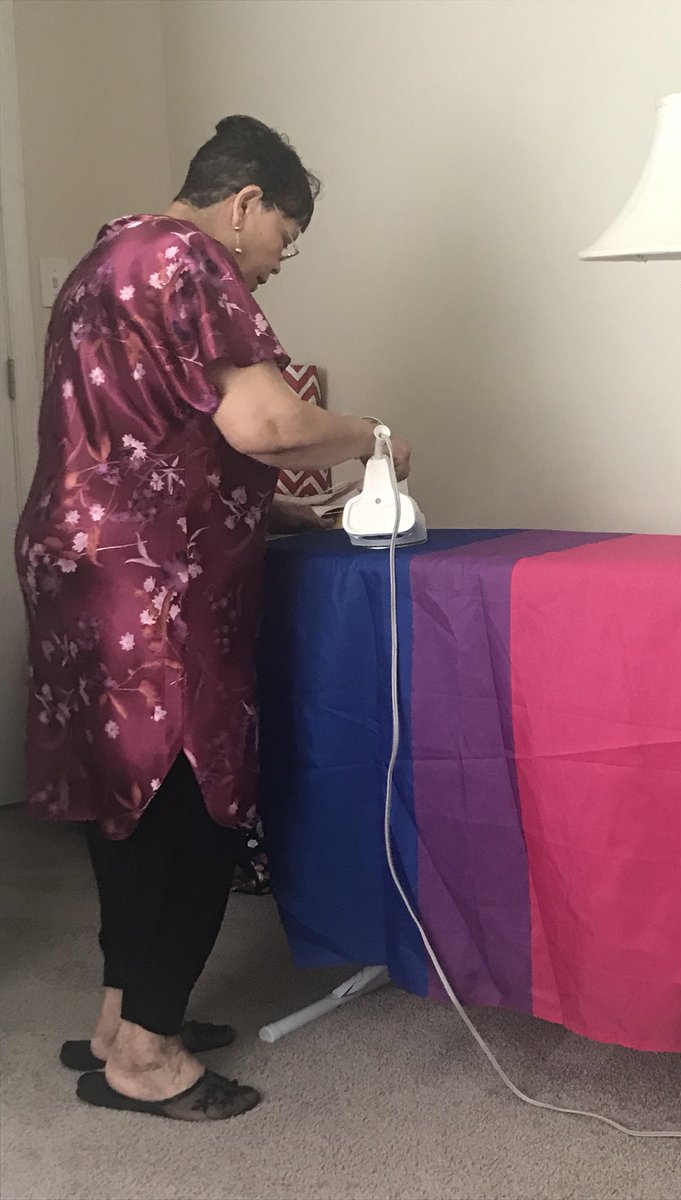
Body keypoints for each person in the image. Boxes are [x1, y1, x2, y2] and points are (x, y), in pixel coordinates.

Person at [13, 115, 411, 1120]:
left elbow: (147, 439)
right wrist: (376, 437)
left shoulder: (106, 260)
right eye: (285, 236)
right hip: (152, 584)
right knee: (191, 801)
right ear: (244, 205)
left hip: (81, 563)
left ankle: (123, 1019)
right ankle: (148, 1058)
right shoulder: (190, 260)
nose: (275, 263)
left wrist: (277, 513)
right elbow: (266, 423)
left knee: (127, 799)